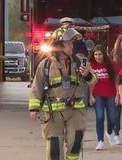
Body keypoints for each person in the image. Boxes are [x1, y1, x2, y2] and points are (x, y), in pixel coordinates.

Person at [29, 27, 97, 160]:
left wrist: (87, 75)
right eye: (69, 43)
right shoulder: (45, 65)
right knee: (54, 148)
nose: (73, 46)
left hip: (75, 111)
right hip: (53, 113)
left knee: (75, 143)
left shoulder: (79, 62)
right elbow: (37, 86)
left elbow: (93, 80)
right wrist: (34, 108)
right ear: (59, 46)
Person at [88, 44, 120, 150]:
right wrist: (90, 96)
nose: (98, 57)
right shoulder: (90, 65)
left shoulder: (112, 64)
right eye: (95, 54)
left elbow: (116, 80)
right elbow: (90, 82)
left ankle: (110, 132)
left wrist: (118, 94)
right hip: (98, 94)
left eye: (100, 54)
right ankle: (100, 141)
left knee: (112, 118)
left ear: (104, 55)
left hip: (111, 94)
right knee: (100, 117)